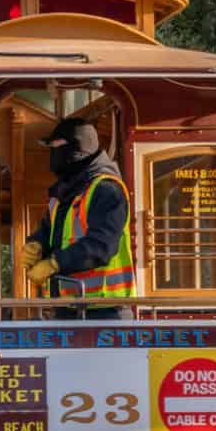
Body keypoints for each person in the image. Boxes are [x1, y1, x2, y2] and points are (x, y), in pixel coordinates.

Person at [22, 116, 134, 320]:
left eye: (57, 146)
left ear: (78, 149)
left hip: (105, 311)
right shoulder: (64, 193)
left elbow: (101, 246)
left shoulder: (107, 189)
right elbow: (49, 232)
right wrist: (35, 245)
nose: (53, 154)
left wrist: (54, 264)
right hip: (67, 308)